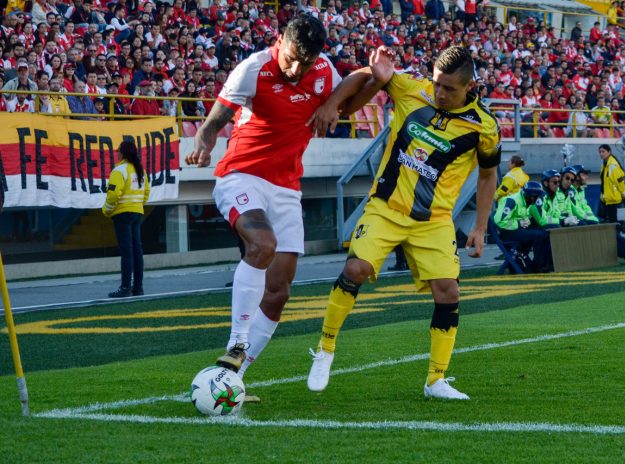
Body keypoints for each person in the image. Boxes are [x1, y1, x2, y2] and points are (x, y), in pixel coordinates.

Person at [184, 16, 376, 391]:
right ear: (279, 41)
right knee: (262, 245)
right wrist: (203, 145)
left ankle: (231, 379)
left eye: (305, 63)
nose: (295, 70)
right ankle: (237, 342)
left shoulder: (323, 70)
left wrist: (351, 90)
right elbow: (212, 122)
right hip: (241, 175)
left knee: (279, 293)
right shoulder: (252, 69)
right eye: (290, 59)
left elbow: (353, 92)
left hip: (287, 188)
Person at [307, 46, 500, 400]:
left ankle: (435, 380)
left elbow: (488, 175)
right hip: (386, 207)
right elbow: (363, 78)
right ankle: (326, 349)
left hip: (434, 221)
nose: (440, 93)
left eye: (449, 89)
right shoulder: (412, 87)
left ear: (470, 87)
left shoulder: (484, 126)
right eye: (437, 84)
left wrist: (480, 226)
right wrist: (342, 98)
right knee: (356, 269)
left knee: (449, 291)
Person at [102, 141, 150, 298]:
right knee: (137, 251)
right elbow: (146, 192)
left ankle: (125, 288)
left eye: (118, 151)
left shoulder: (119, 170)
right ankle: (138, 288)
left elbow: (113, 194)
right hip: (137, 212)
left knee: (126, 252)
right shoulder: (140, 170)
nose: (117, 153)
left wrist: (107, 210)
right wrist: (138, 205)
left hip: (122, 214)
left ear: (122, 153)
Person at [496, 181, 553, 273]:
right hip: (506, 233)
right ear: (529, 195)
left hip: (516, 230)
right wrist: (519, 223)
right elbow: (500, 221)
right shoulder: (512, 201)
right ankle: (541, 266)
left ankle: (544, 264)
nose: (536, 199)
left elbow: (522, 217)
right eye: (535, 197)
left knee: (545, 232)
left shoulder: (525, 202)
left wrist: (526, 221)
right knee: (540, 235)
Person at [598, 144, 625, 224]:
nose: (601, 154)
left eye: (603, 151)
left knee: (614, 222)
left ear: (609, 152)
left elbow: (619, 181)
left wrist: (623, 193)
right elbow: (604, 183)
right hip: (607, 198)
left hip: (614, 199)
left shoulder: (612, 165)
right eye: (600, 152)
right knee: (609, 222)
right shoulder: (604, 165)